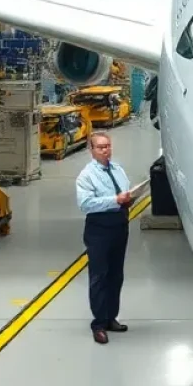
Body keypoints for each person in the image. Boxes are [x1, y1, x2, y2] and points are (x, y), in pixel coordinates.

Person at [76, 132, 132, 343]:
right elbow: (85, 204)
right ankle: (98, 323)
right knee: (99, 276)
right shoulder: (87, 176)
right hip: (99, 228)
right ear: (91, 150)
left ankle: (111, 317)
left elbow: (125, 191)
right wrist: (114, 200)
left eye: (108, 146)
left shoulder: (118, 170)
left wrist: (127, 200)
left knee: (116, 274)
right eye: (100, 147)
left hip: (119, 225)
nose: (105, 150)